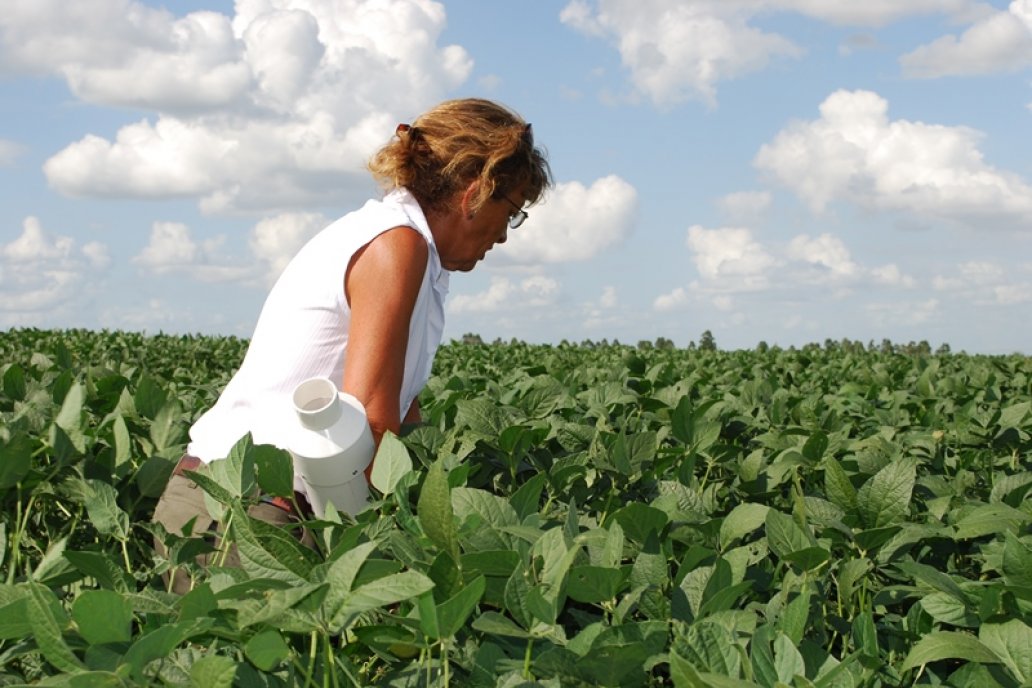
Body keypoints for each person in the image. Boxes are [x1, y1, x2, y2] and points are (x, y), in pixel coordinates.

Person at [152, 98, 552, 591]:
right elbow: (371, 417)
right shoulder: (395, 245)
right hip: (247, 517)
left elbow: (402, 414)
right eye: (511, 212)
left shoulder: (399, 244)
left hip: (242, 508)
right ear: (476, 192)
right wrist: (396, 563)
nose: (504, 238)